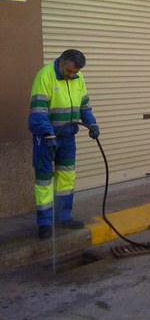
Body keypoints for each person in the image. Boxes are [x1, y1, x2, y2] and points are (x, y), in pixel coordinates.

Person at [29, 49, 100, 239]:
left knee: (67, 177)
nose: (72, 75)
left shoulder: (78, 77)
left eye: (75, 73)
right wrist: (48, 134)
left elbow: (84, 105)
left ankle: (64, 217)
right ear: (61, 62)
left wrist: (92, 124)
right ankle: (44, 223)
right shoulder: (45, 76)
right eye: (69, 71)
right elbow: (38, 111)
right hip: (46, 138)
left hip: (68, 137)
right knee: (44, 179)